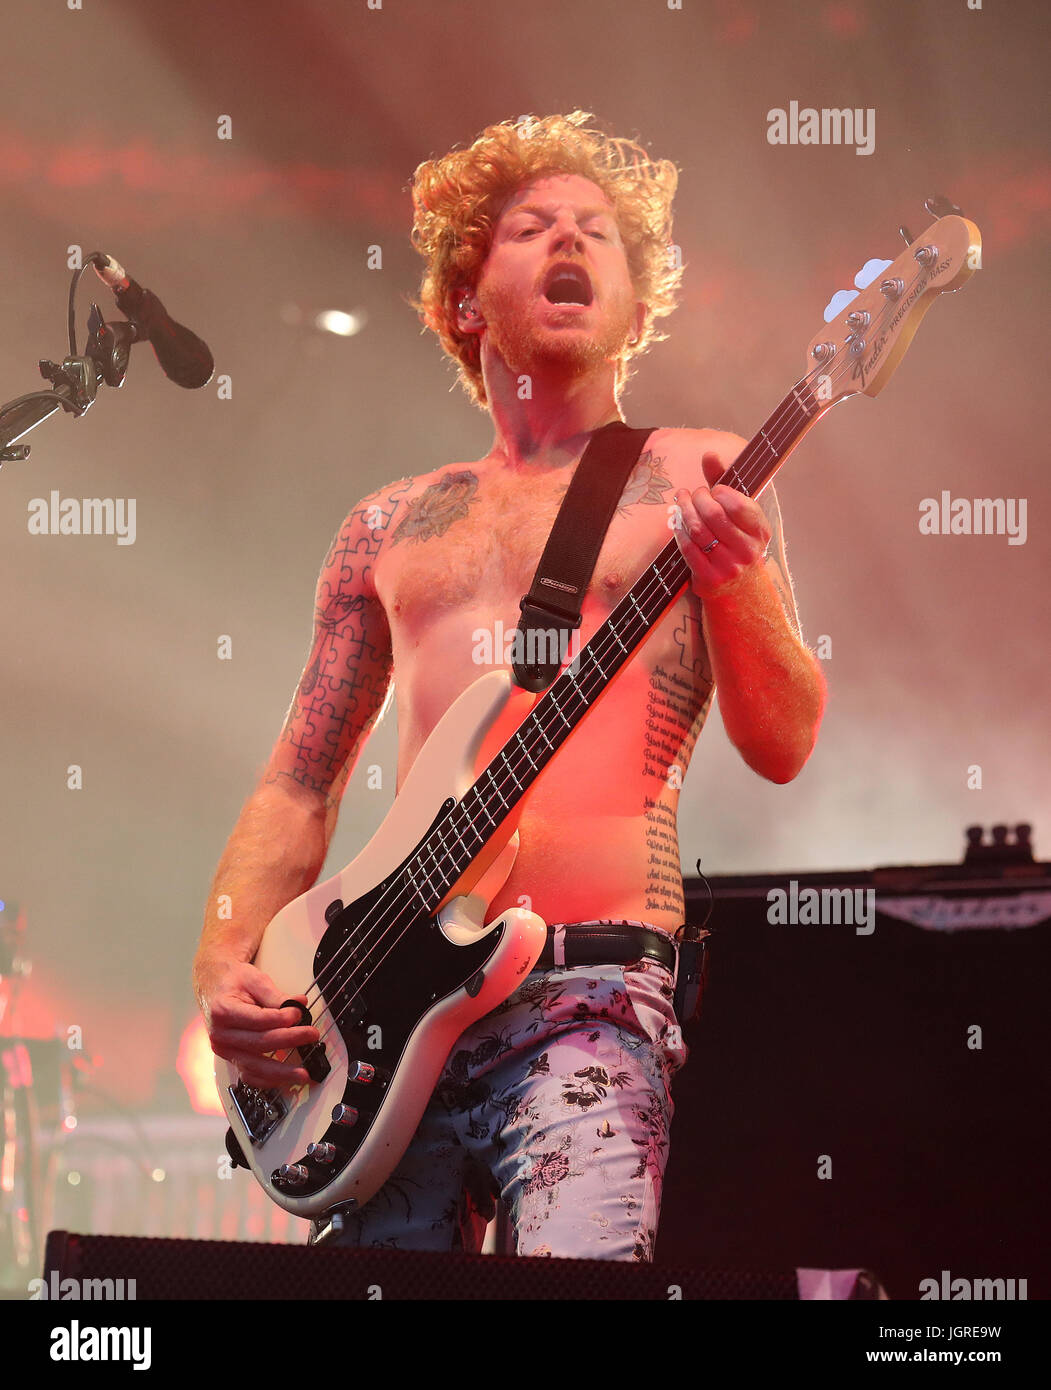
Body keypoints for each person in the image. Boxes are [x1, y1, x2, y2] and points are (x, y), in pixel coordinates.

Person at [192, 111, 825, 1261]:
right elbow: (297, 783)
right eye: (531, 227)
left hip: (590, 990)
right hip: (379, 1006)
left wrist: (738, 586)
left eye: (597, 231)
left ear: (633, 305)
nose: (570, 239)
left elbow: (783, 739)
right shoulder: (387, 523)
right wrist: (224, 964)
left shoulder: (698, 472)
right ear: (465, 300)